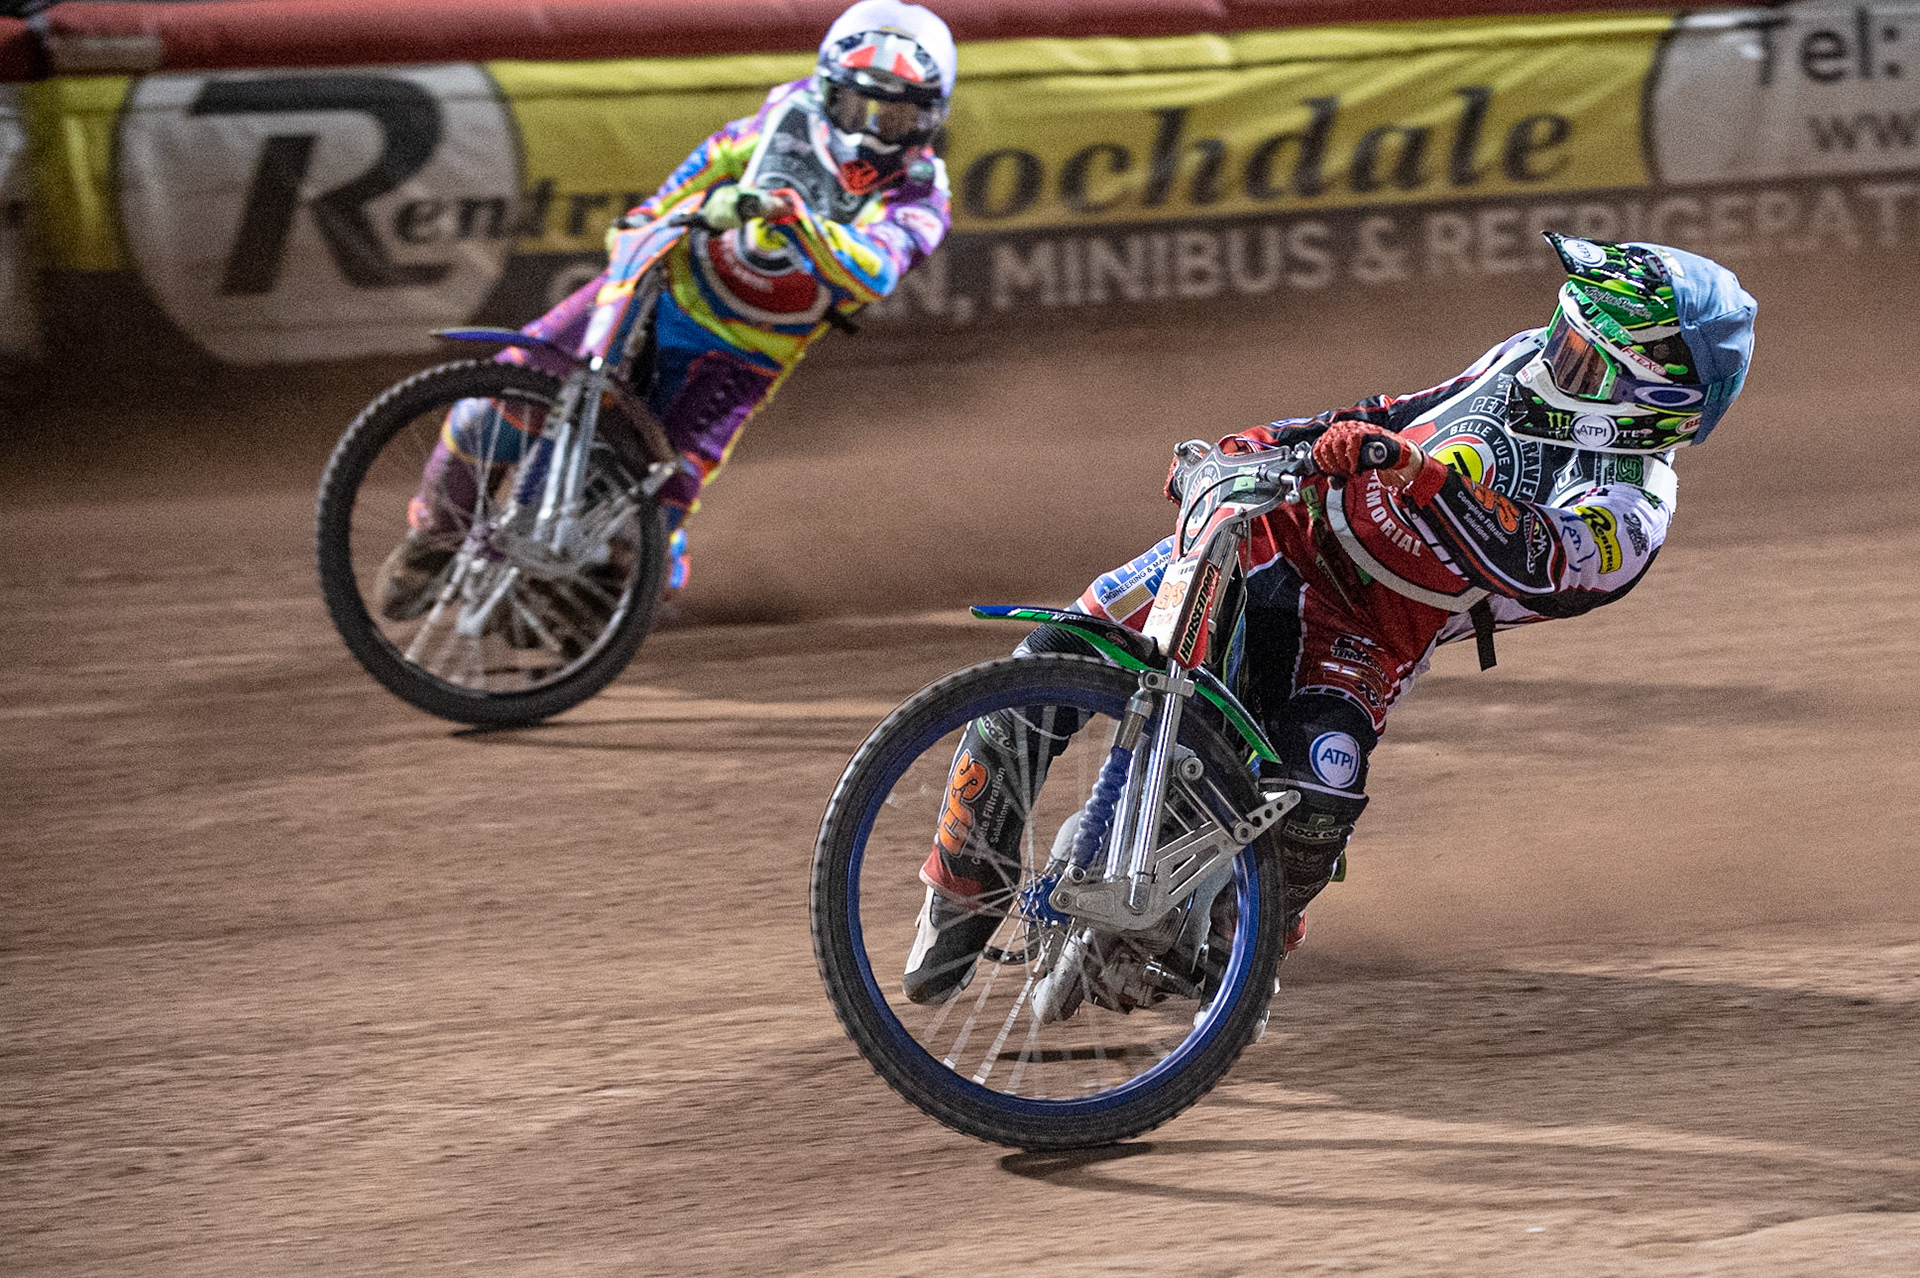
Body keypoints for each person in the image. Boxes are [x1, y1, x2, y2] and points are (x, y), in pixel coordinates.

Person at [904, 232, 1757, 1005]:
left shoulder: (1631, 512)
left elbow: (1529, 555)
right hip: (1282, 530)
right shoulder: (1525, 356)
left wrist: (1424, 477)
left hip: (1372, 632)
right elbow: (1392, 413)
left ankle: (1246, 935)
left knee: (1322, 792)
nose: (1554, 355)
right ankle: (962, 876)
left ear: (1651, 396)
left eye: (1583, 354)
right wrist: (1260, 442)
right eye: (1564, 331)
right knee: (1063, 647)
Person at [375, 0, 956, 619]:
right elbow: (684, 182)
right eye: (856, 105)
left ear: (929, 118)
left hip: (737, 357)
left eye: (895, 115)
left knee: (638, 534)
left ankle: (615, 597)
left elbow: (876, 266)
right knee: (490, 409)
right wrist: (647, 224)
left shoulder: (924, 196)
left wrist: (794, 218)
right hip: (656, 291)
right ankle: (433, 542)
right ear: (826, 90)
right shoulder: (780, 119)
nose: (870, 129)